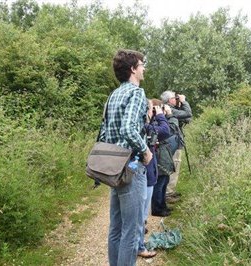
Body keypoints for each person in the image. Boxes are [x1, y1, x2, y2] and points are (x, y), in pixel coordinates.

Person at [101, 49, 152, 266]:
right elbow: (129, 129)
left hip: (114, 166)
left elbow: (104, 132)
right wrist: (146, 151)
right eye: (141, 64)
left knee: (116, 228)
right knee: (131, 231)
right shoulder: (136, 93)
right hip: (131, 167)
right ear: (133, 68)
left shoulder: (114, 94)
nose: (143, 68)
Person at [137, 100, 170, 258]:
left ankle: (137, 243)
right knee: (142, 213)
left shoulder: (145, 124)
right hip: (146, 175)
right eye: (151, 109)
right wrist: (162, 115)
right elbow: (165, 131)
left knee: (141, 212)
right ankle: (139, 246)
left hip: (148, 173)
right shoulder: (146, 126)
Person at [160, 90, 192, 202]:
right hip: (173, 143)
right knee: (174, 166)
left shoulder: (172, 109)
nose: (177, 99)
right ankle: (168, 193)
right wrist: (184, 102)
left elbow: (187, 119)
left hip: (171, 142)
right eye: (175, 97)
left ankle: (170, 192)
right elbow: (188, 113)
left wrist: (180, 106)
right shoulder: (169, 109)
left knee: (174, 166)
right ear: (169, 100)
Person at [151, 99, 179, 217]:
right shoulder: (155, 121)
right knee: (160, 181)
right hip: (160, 154)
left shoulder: (156, 120)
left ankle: (162, 205)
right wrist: (170, 115)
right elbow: (171, 129)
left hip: (163, 153)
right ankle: (157, 208)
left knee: (164, 179)